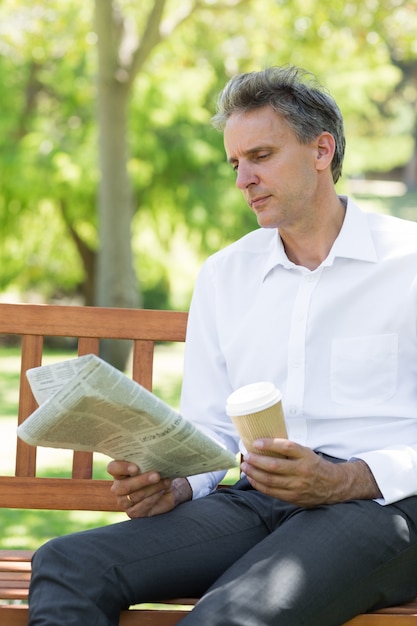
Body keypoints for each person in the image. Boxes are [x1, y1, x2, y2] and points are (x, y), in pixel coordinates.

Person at [28, 65, 417, 626]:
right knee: (66, 562)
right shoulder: (225, 275)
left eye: (261, 156)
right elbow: (210, 425)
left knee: (227, 617)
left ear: (321, 150)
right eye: (236, 163)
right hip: (256, 499)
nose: (243, 180)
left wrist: (346, 477)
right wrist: (179, 482)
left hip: (379, 507)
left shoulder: (405, 262)